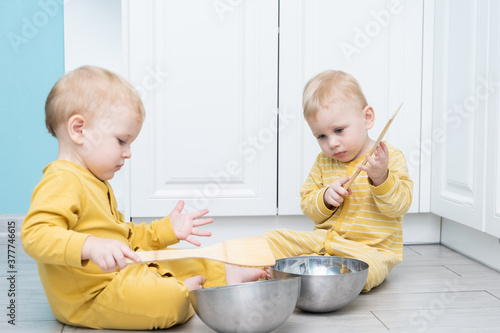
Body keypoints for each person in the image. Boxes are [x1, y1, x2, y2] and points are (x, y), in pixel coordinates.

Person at [21, 65, 267, 330]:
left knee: (185, 259)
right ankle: (184, 294)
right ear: (79, 130)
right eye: (121, 141)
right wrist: (89, 245)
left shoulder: (95, 181)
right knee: (168, 299)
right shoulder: (62, 180)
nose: (128, 153)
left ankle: (222, 274)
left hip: (122, 275)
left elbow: (124, 237)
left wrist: (166, 229)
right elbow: (35, 235)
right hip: (94, 296)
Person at [263, 70, 413, 292]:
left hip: (368, 250)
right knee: (272, 238)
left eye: (339, 130)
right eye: (321, 136)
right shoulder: (324, 162)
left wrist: (381, 178)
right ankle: (279, 269)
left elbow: (398, 207)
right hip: (321, 243)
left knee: (367, 269)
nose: (331, 143)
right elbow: (308, 206)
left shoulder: (389, 158)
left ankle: (305, 276)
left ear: (367, 118)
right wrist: (324, 198)